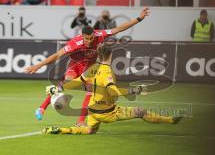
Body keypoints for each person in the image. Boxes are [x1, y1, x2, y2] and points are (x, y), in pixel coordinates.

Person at [25, 7, 150, 126]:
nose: (89, 41)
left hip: (89, 68)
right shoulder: (75, 42)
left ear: (94, 35)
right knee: (65, 84)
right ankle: (41, 108)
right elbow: (57, 55)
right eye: (86, 39)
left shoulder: (99, 34)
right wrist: (38, 65)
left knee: (90, 91)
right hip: (75, 65)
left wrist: (138, 19)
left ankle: (80, 121)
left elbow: (119, 29)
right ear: (82, 36)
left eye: (91, 38)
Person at [42, 44, 182, 135]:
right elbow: (113, 91)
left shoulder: (93, 68)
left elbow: (78, 81)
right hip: (108, 112)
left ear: (99, 55)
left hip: (93, 110)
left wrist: (59, 87)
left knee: (90, 130)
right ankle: (171, 120)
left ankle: (61, 130)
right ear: (111, 55)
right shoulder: (107, 71)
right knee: (141, 111)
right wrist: (136, 90)